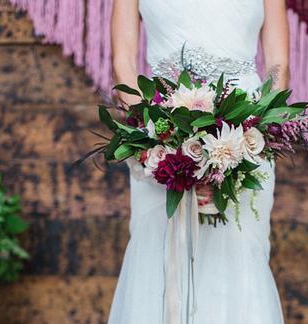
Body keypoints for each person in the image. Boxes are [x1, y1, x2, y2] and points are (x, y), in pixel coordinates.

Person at [109, 0, 290, 323]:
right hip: (162, 136)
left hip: (246, 138)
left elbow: (279, 65)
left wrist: (249, 136)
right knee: (158, 255)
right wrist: (158, 140)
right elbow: (122, 61)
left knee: (238, 253)